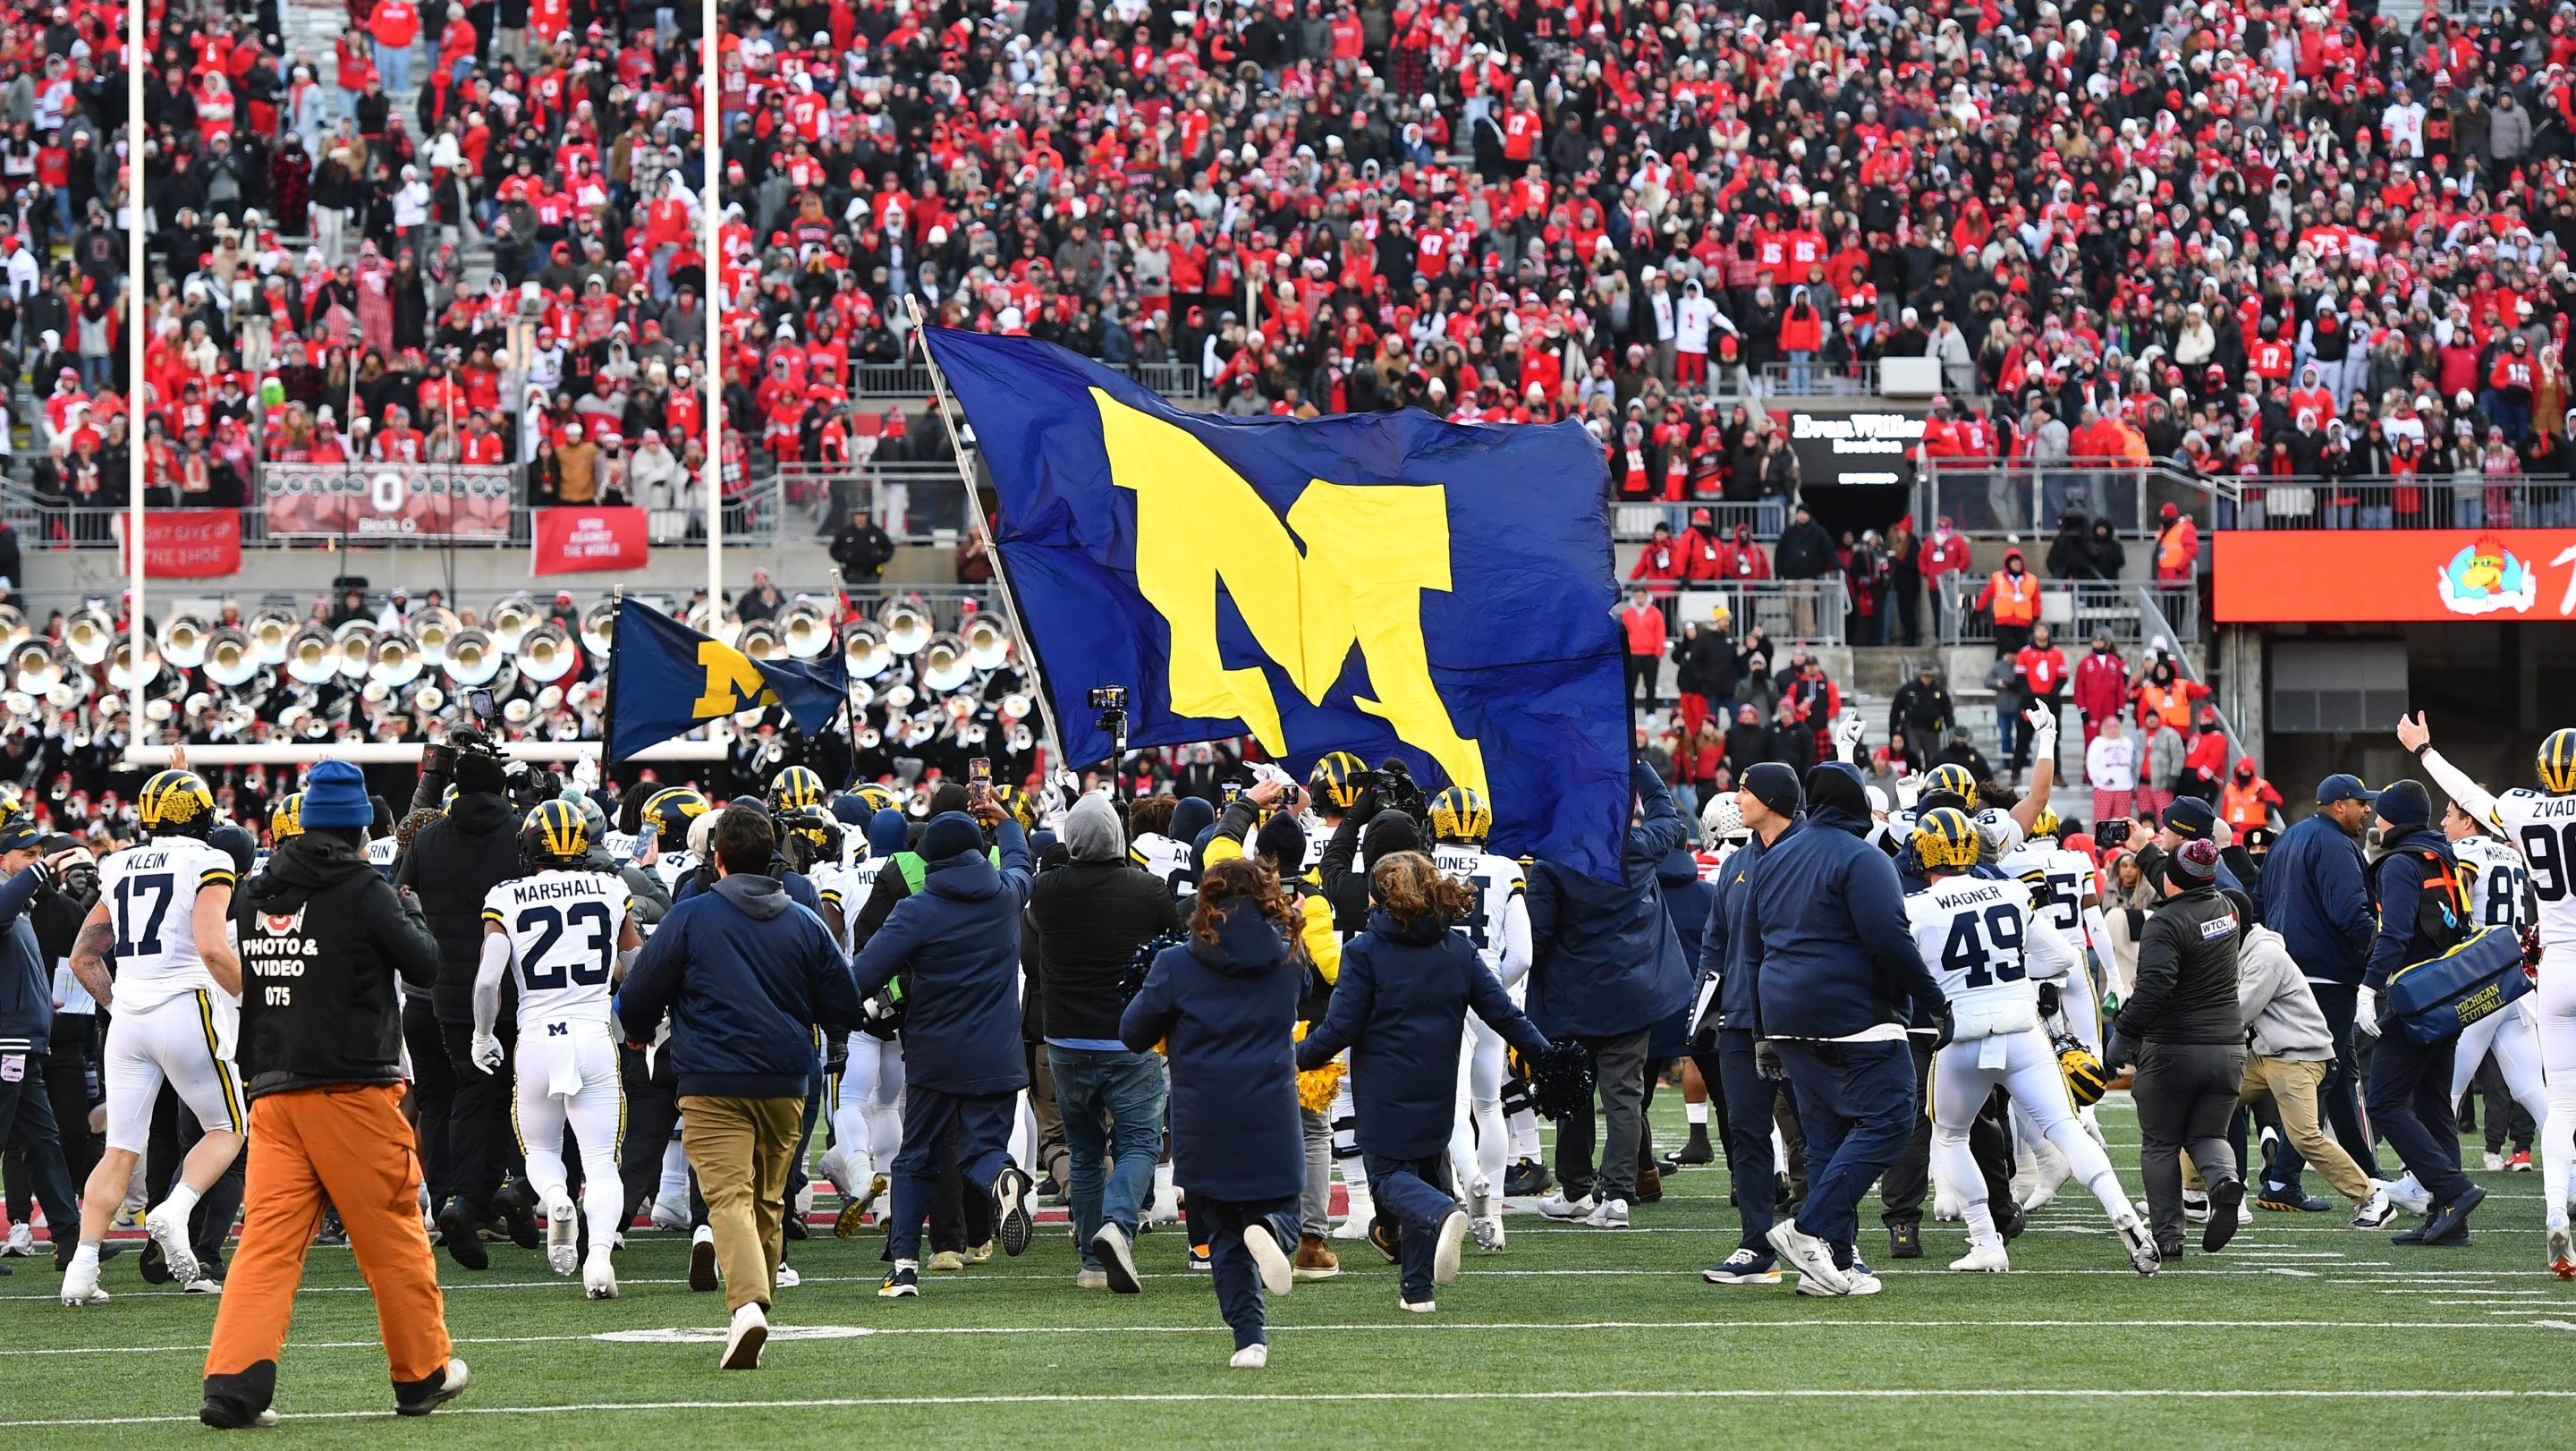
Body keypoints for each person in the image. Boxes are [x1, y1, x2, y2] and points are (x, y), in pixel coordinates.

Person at [202, 760, 465, 1427]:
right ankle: (421, 1373)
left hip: (274, 1090)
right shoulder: (364, 889)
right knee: (392, 1236)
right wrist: (409, 908)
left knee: (265, 1244)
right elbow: (426, 965)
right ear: (356, 828)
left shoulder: (258, 894)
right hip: (351, 1089)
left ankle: (233, 1384)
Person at [615, 805, 863, 1369]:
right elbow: (844, 999)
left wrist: (635, 1033)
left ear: (717, 859)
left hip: (712, 1079)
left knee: (728, 1196)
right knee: (768, 1198)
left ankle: (748, 1305)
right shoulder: (804, 919)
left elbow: (640, 994)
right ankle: (760, 1298)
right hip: (785, 1080)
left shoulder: (692, 916)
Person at [1903, 809, 2158, 1275]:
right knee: (2065, 1126)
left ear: (1924, 853)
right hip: (2021, 1028)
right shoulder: (2011, 891)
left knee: (1951, 1135)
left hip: (1963, 1035)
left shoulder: (1916, 908)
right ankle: (2124, 1211)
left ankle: (1985, 1240)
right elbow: (2061, 957)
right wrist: (2015, 979)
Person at [1294, 852, 1551, 1312]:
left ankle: (1445, 1212)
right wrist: (1548, 1057)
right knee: (1423, 1175)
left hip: (1384, 1089)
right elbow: (1504, 1013)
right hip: (1439, 1085)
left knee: (1392, 1180)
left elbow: (1341, 1028)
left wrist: (1295, 1058)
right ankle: (1417, 1291)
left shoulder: (1363, 951)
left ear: (1378, 898)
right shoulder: (1456, 949)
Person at [1742, 760, 1948, 1295]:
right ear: (1859, 803)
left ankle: (1834, 1262)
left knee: (1827, 1139)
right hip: (1854, 1015)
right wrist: (1933, 1002)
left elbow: (1751, 951)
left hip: (1785, 1015)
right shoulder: (1864, 858)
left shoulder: (1773, 857)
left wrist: (1765, 1029)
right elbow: (1889, 941)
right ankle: (1810, 1230)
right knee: (1891, 1121)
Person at [60, 768, 246, 1303]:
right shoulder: (209, 860)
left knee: (120, 1148)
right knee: (229, 1127)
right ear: (204, 815)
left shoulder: (116, 864)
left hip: (130, 1018)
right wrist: (250, 1001)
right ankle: (177, 1208)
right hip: (187, 1006)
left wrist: (120, 1004)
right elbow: (212, 948)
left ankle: (82, 1270)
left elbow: (83, 955)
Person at [2401, 715, 2576, 1276]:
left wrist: (2425, 749)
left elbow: (2468, 793)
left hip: (2545, 973)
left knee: (2556, 1102)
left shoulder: (2520, 812)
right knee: (2539, 1093)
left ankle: (2556, 1214)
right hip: (2531, 973)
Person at [848, 801, 1039, 1300]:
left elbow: (864, 975)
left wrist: (819, 1001)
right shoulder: (1004, 896)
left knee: (916, 1158)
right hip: (998, 1054)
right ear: (978, 853)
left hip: (934, 1054)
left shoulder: (916, 910)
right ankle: (1002, 1178)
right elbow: (1022, 861)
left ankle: (905, 1267)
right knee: (983, 1151)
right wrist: (1009, 820)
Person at [1121, 858, 1309, 1366]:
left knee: (1223, 1230)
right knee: (1283, 1207)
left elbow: (1132, 1032)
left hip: (1204, 1116)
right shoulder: (1290, 956)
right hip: (1270, 1108)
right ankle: (1270, 1233)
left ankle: (1250, 1339)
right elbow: (1311, 998)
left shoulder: (1177, 965)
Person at [470, 801, 643, 1299]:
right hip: (593, 1032)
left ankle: (555, 1199)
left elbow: (487, 981)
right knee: (602, 1162)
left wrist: (483, 1035)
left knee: (542, 1151)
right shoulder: (611, 888)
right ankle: (601, 1258)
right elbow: (635, 963)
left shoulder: (506, 897)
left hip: (538, 1038)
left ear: (528, 848)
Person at [1524, 759, 1693, 1226]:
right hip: (1631, 993)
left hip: (1573, 997)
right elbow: (1669, 818)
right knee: (1624, 1096)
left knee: (1575, 1095)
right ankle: (1617, 1195)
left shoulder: (1553, 861)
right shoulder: (1635, 848)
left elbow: (1536, 938)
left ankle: (1577, 1190)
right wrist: (1638, 767)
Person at [1028, 793, 1182, 1291]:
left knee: (1085, 1148)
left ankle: (1091, 1261)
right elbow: (1177, 941)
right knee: (1139, 1140)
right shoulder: (1149, 891)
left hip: (1065, 1042)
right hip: (1128, 1038)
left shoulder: (1047, 890)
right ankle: (1117, 1224)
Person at [400, 745, 539, 1268]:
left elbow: (403, 900)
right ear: (503, 788)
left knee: (454, 1097)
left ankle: (455, 1200)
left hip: (446, 989)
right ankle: (486, 1197)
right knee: (508, 1097)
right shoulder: (521, 835)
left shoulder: (430, 838)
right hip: (517, 988)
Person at [2106, 838, 2247, 1262]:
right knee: (2207, 1134)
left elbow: (2156, 988)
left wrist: (2124, 1034)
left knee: (2161, 1142)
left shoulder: (2166, 923)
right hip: (2228, 1047)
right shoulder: (2228, 910)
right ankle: (2223, 1181)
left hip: (2173, 1048)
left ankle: (2169, 1237)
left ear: (2173, 880)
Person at [2357, 778, 2485, 1247]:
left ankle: (2454, 1190)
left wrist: (2367, 989)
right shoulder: (2443, 856)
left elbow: (2394, 935)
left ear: (2398, 818)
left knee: (2385, 1102)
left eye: (2382, 813)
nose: (2375, 820)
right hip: (2447, 994)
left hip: (2413, 997)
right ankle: (2450, 1219)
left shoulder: (2400, 863)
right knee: (2434, 1107)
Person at [2253, 774, 2386, 1201]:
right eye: (2360, 802)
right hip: (2325, 978)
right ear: (2338, 805)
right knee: (2323, 1075)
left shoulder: (2289, 837)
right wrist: (2383, 956)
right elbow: (2351, 912)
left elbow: (2259, 902)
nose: (2367, 810)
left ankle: (2367, 1169)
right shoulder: (2333, 844)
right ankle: (2282, 1179)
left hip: (2287, 973)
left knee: (2342, 1074)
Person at [1695, 764, 1804, 1286]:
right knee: (1746, 1131)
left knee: (1814, 1131)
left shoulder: (1810, 853)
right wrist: (1703, 1004)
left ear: (1773, 799)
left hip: (1800, 1018)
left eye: (1745, 788)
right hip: (1739, 1019)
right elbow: (1715, 941)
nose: (1736, 796)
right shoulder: (1736, 862)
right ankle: (1756, 1244)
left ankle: (1831, 1240)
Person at [2232, 904, 2395, 1230]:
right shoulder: (2243, 949)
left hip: (2297, 1056)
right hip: (2268, 1053)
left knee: (2305, 1135)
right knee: (2205, 1103)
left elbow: (2237, 1012)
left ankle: (2372, 1197)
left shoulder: (2265, 956)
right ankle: (2191, 1193)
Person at [1426, 787, 1533, 1250]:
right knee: (1489, 1105)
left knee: (1450, 1107)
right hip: (1489, 994)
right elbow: (1523, 955)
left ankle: (1469, 1185)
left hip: (1436, 994)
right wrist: (1492, 992)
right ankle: (1496, 1208)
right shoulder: (1506, 868)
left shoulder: (1422, 867)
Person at [0, 822, 83, 1286]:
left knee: (46, 1142)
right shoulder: (10, 898)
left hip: (23, 1041)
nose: (37, 860)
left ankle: (69, 1241)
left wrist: (38, 1001)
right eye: (26, 854)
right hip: (6, 1041)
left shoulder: (22, 906)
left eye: (39, 853)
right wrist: (37, 873)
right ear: (2, 861)